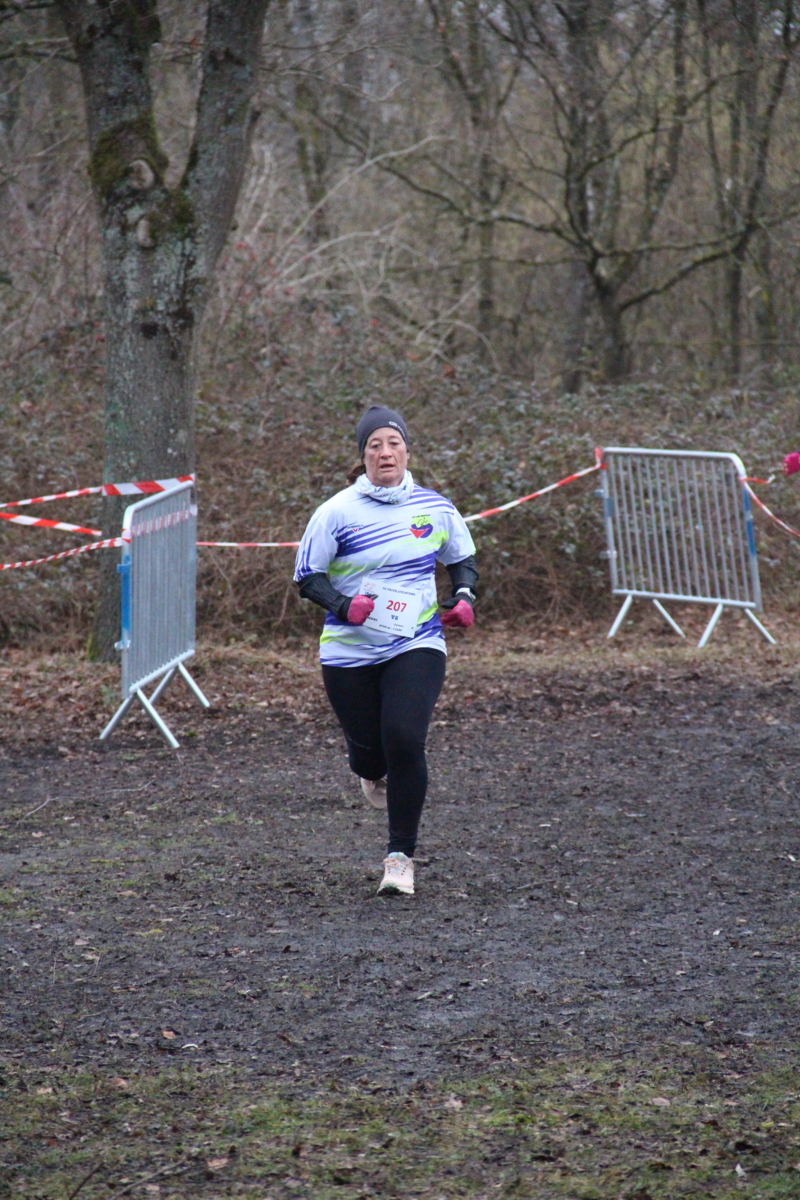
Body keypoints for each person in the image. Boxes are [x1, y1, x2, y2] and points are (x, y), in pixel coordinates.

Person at [293, 405, 478, 896]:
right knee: (369, 757)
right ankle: (368, 770)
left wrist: (463, 597)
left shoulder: (435, 507)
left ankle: (400, 858)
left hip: (416, 641)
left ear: (407, 451)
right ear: (363, 456)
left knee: (404, 738)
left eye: (393, 443)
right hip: (348, 652)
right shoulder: (336, 512)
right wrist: (343, 605)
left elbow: (462, 557)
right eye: (374, 445)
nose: (385, 452)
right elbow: (307, 576)